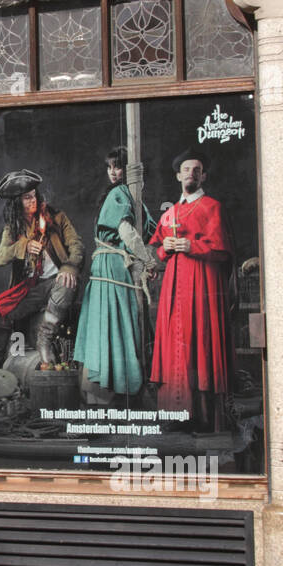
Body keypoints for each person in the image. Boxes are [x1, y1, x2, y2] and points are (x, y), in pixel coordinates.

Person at [148, 148, 233, 430]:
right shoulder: (170, 212)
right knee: (175, 343)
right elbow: (154, 247)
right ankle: (174, 414)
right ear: (177, 176)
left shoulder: (212, 207)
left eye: (196, 170)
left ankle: (202, 417)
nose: (191, 174)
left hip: (202, 285)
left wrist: (192, 246)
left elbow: (223, 250)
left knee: (200, 341)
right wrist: (165, 249)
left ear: (203, 175)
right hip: (174, 286)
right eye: (186, 169)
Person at [0, 169, 84, 371]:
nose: (32, 200)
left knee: (66, 280)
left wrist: (70, 267)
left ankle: (45, 337)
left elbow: (77, 245)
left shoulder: (57, 217)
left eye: (34, 195)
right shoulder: (13, 227)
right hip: (34, 287)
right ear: (16, 202)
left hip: (58, 281)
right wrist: (23, 246)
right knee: (1, 311)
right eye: (26, 198)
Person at [74, 147, 157, 401]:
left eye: (118, 167)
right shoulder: (119, 193)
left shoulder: (127, 195)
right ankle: (110, 393)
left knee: (110, 324)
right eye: (109, 167)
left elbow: (147, 232)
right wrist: (148, 260)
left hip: (110, 263)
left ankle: (106, 396)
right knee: (115, 323)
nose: (112, 172)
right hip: (112, 264)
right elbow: (126, 232)